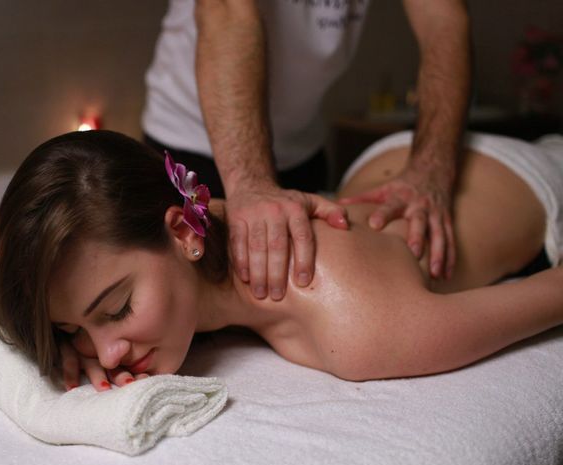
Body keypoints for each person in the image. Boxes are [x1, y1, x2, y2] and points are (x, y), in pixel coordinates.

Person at [0, 130, 563, 392]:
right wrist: (44, 331)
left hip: (530, 179)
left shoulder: (355, 324)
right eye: (75, 327)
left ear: (183, 233)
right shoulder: (124, 243)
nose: (107, 353)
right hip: (378, 168)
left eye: (117, 310)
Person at [142, 0, 471, 300]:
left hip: (302, 151)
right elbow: (227, 10)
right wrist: (250, 182)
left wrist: (431, 170)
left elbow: (444, 19)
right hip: (193, 145)